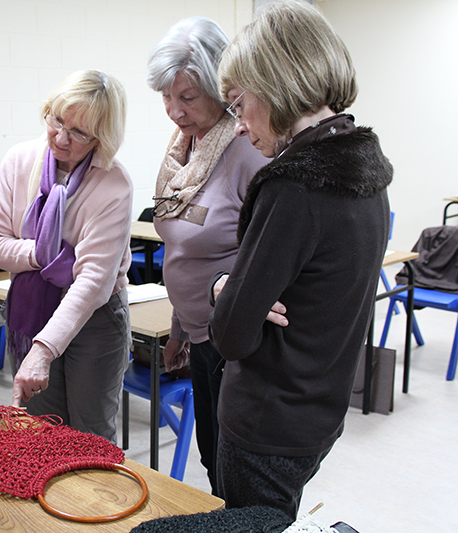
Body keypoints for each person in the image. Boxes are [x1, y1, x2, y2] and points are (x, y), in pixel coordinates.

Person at [210, 1, 393, 519]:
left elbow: (232, 335)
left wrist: (225, 289)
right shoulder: (364, 167)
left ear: (274, 86)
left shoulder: (293, 186)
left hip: (267, 424)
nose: (239, 125)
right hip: (318, 409)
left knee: (255, 521)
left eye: (238, 103)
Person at [145, 17, 269, 496]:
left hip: (233, 339)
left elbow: (258, 256)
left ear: (222, 87)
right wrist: (180, 327)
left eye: (188, 97)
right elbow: (186, 252)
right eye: (166, 97)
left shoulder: (246, 151)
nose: (174, 111)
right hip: (199, 334)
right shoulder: (185, 148)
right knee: (212, 455)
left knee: (233, 469)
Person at [0, 70, 132, 442]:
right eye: (57, 120)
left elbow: (93, 282)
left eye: (79, 133)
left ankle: (94, 504)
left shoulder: (113, 183)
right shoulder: (20, 160)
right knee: (42, 432)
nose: (61, 138)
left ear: (101, 137)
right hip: (35, 307)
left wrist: (44, 349)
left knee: (90, 436)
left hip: (94, 319)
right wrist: (45, 255)